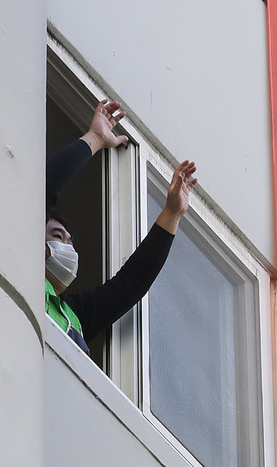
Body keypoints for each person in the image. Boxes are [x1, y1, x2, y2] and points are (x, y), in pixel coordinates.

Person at [45, 98, 196, 354]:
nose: (68, 248)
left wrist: (172, 214)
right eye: (58, 237)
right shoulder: (23, 274)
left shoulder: (74, 317)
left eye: (70, 242)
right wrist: (95, 138)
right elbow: (46, 187)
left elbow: (130, 283)